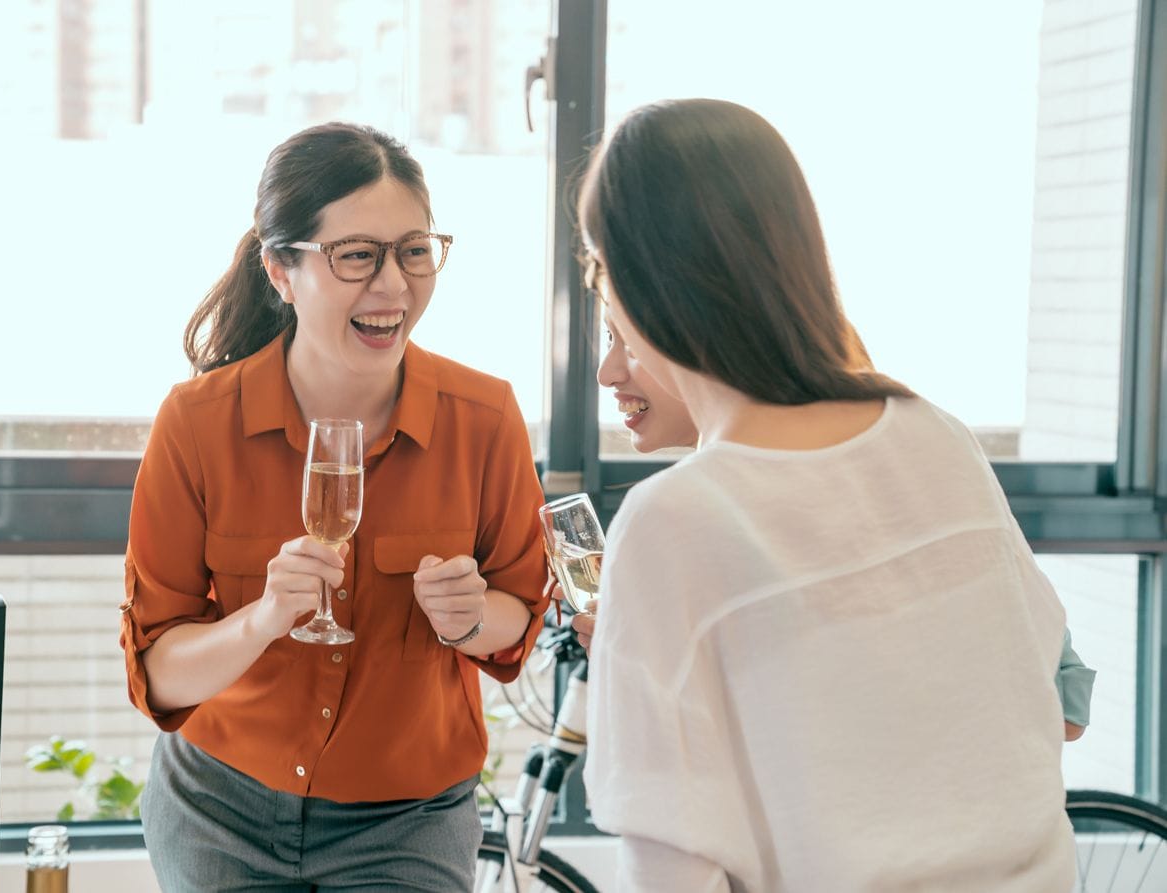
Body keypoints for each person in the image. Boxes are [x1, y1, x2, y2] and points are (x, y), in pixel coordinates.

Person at [577, 98, 1076, 891]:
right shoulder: (936, 434)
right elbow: (1050, 692)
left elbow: (670, 867)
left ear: (642, 287)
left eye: (603, 282)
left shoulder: (674, 519)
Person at [119, 122, 549, 891]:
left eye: (413, 251)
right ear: (280, 270)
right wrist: (261, 619)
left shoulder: (484, 418)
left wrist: (469, 618)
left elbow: (517, 613)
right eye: (356, 256)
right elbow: (160, 671)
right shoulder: (196, 423)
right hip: (219, 807)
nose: (394, 287)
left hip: (407, 819)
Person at [574, 309, 1097, 743]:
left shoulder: (697, 508)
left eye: (630, 342)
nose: (607, 372)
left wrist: (640, 667)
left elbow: (719, 777)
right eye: (608, 337)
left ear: (706, 335)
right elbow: (1062, 704)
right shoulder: (935, 433)